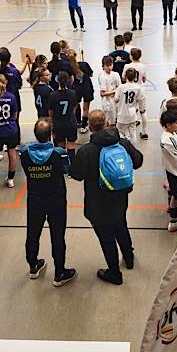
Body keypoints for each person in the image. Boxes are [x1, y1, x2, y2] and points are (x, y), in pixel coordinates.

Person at [70, 110, 143, 285]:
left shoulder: (86, 151)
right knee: (121, 225)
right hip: (120, 197)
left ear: (89, 128)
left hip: (97, 203)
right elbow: (138, 161)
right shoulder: (122, 143)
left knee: (106, 237)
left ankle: (114, 273)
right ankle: (129, 257)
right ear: (107, 123)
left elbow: (76, 174)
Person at [20, 118, 77, 286]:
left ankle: (33, 266)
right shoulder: (58, 153)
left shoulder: (25, 152)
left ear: (35, 134)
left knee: (32, 233)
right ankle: (59, 272)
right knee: (57, 236)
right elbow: (66, 170)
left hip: (35, 198)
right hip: (56, 199)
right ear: (52, 134)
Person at [48, 71, 79, 162]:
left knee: (60, 147)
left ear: (57, 81)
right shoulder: (73, 93)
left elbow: (50, 113)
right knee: (71, 145)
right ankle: (72, 167)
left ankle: (62, 166)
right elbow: (74, 108)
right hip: (70, 122)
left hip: (58, 124)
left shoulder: (52, 95)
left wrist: (52, 127)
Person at [98, 56, 121, 127]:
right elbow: (102, 93)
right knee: (110, 123)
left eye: (111, 65)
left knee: (117, 121)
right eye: (107, 66)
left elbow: (120, 87)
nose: (109, 67)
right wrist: (115, 91)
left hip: (116, 102)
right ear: (103, 66)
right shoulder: (102, 77)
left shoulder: (116, 74)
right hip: (108, 103)